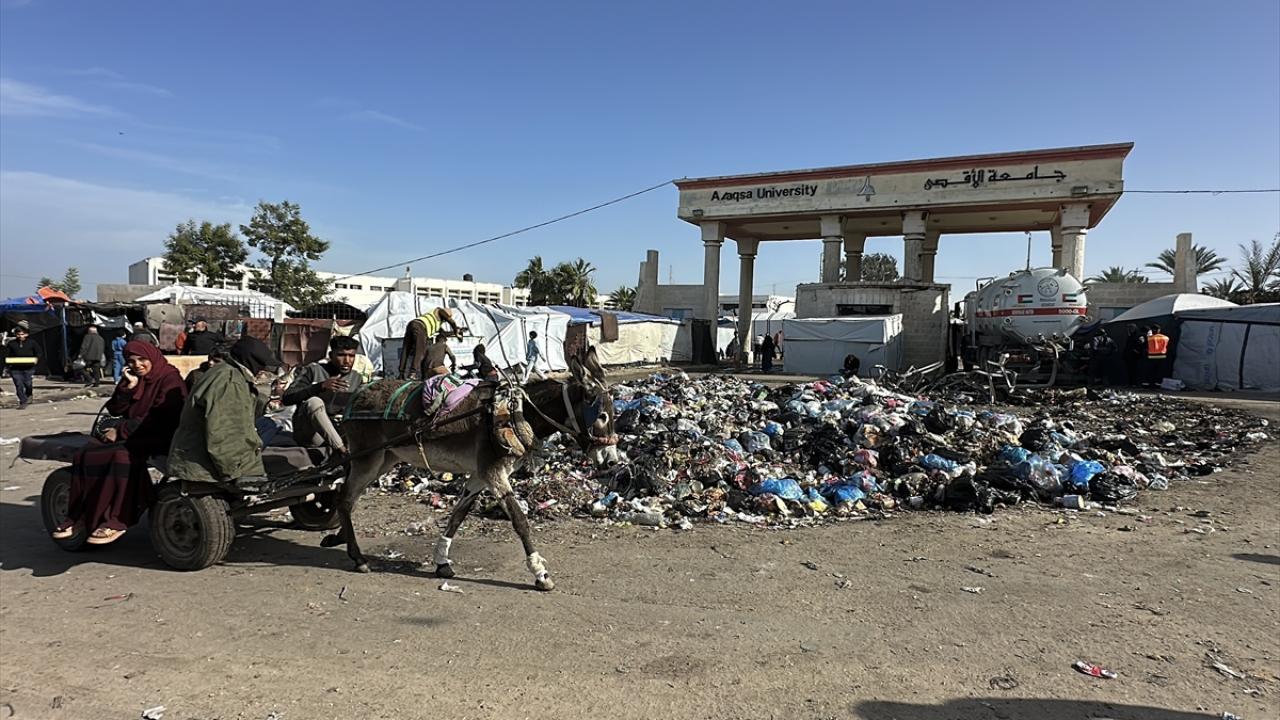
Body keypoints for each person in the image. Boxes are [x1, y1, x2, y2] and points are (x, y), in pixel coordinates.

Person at [52, 341, 187, 545]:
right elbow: (115, 409)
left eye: (142, 359)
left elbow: (162, 417)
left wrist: (122, 430)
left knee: (120, 457)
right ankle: (80, 516)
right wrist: (128, 387)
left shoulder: (169, 378)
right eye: (131, 361)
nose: (137, 365)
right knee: (86, 453)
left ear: (152, 357)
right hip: (135, 433)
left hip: (161, 436)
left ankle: (117, 519)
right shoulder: (135, 378)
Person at [168, 337, 278, 484]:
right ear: (251, 363)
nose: (263, 372)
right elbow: (224, 433)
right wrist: (237, 473)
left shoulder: (226, 373)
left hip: (200, 460)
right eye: (262, 367)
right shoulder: (230, 381)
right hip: (203, 467)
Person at [281, 336, 364, 455]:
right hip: (311, 433)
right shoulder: (313, 370)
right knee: (314, 402)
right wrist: (320, 386)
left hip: (339, 431)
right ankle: (342, 451)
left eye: (351, 356)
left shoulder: (357, 378)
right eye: (341, 355)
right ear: (331, 355)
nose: (347, 361)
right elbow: (287, 397)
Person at [398, 307, 460, 379]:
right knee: (419, 351)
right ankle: (412, 373)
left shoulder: (436, 323)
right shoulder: (439, 311)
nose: (445, 320)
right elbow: (451, 321)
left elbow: (443, 333)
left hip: (412, 324)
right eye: (446, 319)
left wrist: (457, 332)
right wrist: (455, 330)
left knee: (406, 350)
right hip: (420, 327)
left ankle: (401, 373)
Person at [3, 321, 43, 409]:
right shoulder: (11, 344)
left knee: (28, 383)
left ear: (26, 334)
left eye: (22, 334)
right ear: (16, 335)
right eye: (18, 334)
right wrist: (7, 364)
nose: (21, 336)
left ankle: (29, 394)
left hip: (29, 367)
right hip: (15, 368)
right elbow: (6, 354)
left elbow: (39, 352)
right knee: (18, 384)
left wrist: (36, 359)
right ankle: (23, 401)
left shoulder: (32, 343)